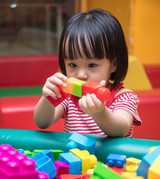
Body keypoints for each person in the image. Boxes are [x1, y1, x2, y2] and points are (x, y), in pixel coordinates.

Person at [34, 8, 141, 137]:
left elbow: (120, 130)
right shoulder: (69, 96)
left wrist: (100, 113)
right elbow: (42, 122)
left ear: (114, 64)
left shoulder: (123, 97)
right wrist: (48, 98)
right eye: (73, 65)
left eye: (92, 65)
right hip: (75, 157)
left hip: (109, 158)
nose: (80, 75)